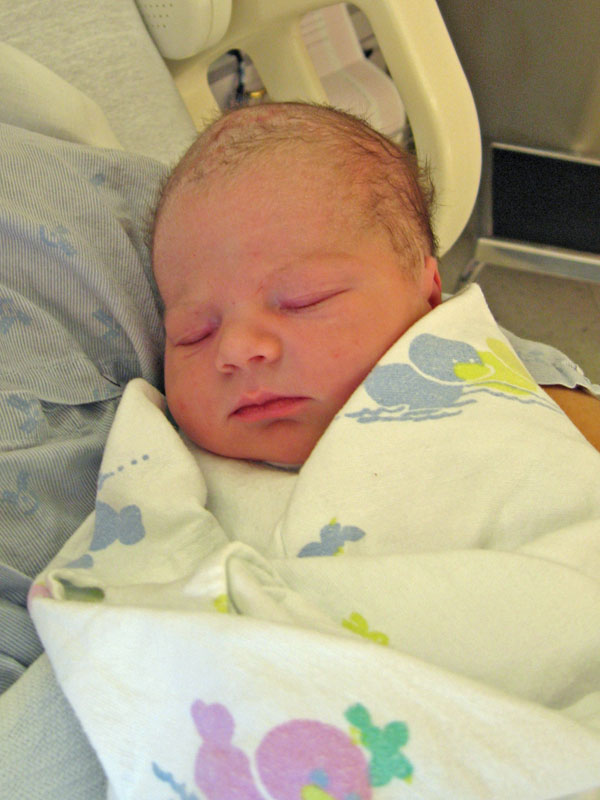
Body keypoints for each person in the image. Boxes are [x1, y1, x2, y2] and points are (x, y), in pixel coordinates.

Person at [152, 101, 600, 463]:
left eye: (304, 300)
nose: (234, 349)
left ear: (430, 297)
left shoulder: (516, 409)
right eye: (193, 333)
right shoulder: (157, 460)